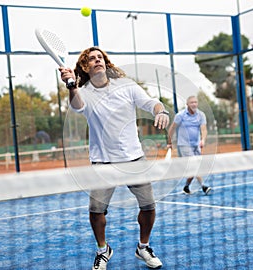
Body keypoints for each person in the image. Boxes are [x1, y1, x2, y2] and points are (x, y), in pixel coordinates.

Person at [59, 47, 169, 270]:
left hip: (134, 158)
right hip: (103, 161)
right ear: (85, 67)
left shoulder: (126, 86)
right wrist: (71, 85)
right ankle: (103, 250)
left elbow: (151, 102)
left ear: (106, 62)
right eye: (91, 59)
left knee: (148, 206)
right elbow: (77, 105)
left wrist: (161, 111)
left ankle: (143, 247)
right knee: (96, 211)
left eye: (100, 57)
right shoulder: (84, 91)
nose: (97, 60)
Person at [167, 95, 211, 195]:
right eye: (192, 102)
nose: (194, 104)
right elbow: (172, 129)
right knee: (194, 165)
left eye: (195, 102)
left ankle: (186, 187)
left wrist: (203, 140)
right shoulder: (180, 115)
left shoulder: (201, 115)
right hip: (184, 146)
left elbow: (203, 129)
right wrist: (169, 142)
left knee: (195, 168)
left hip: (196, 145)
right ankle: (203, 186)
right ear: (187, 104)